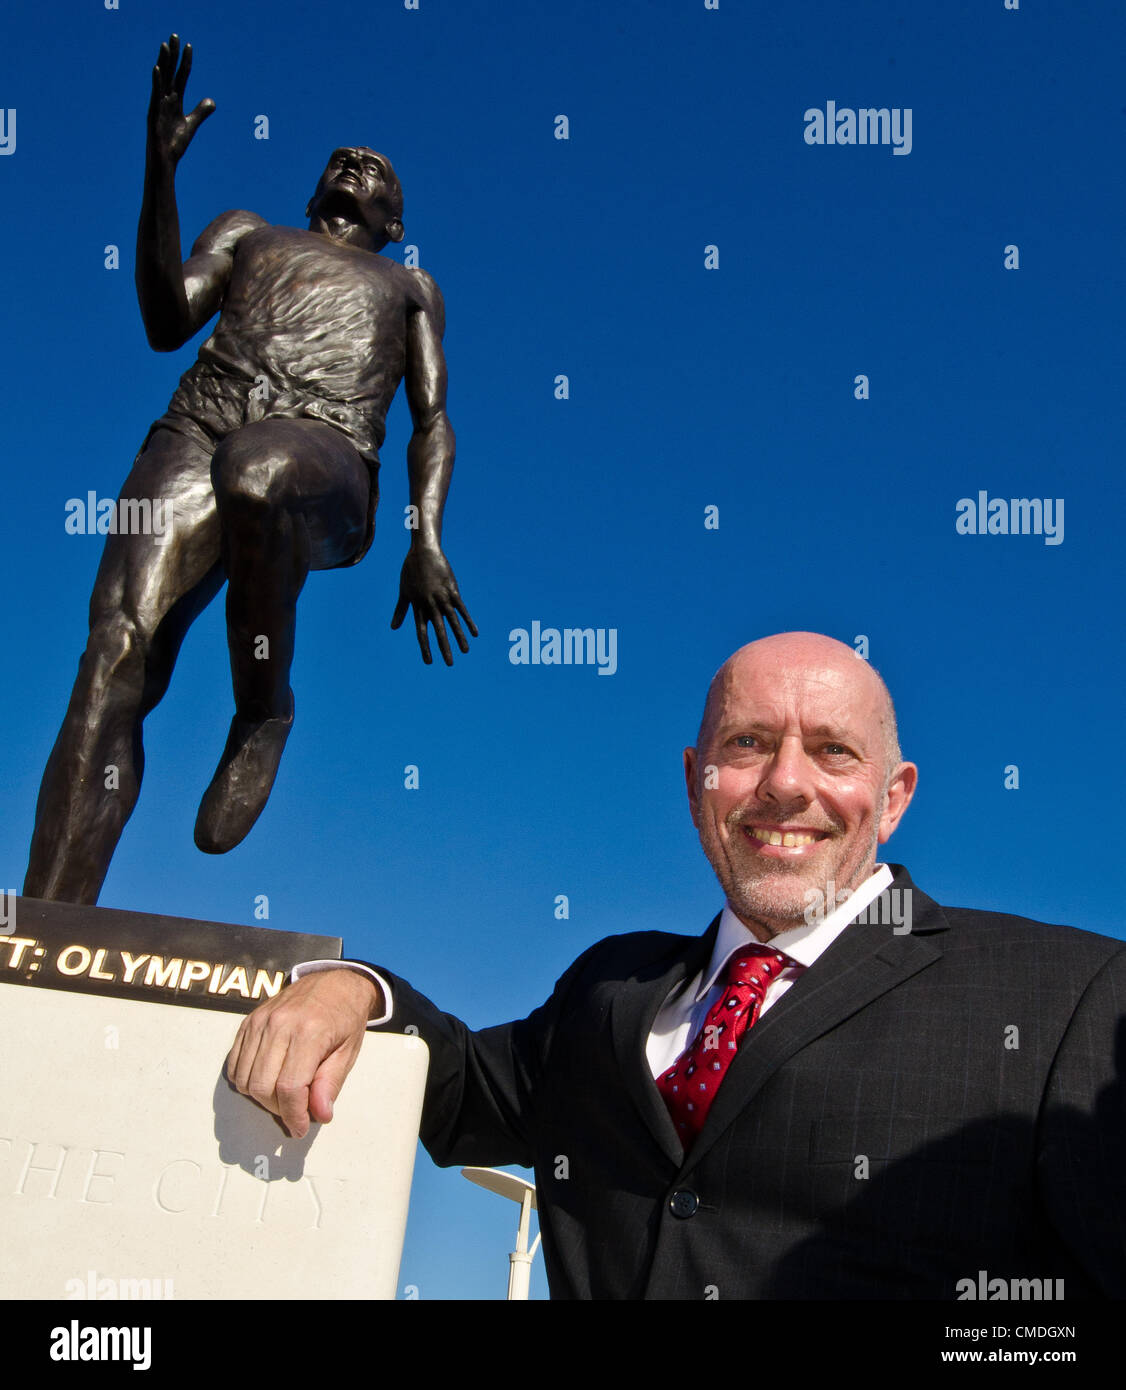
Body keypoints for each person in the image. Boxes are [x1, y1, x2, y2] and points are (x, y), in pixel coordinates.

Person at [227, 631, 1126, 1299]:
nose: (785, 782)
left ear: (892, 800)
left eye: (833, 750)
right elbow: (456, 1089)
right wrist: (350, 987)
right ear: (696, 779)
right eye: (747, 744)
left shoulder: (1068, 997)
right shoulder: (606, 991)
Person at [25, 35, 475, 905]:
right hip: (197, 426)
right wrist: (160, 175)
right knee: (115, 655)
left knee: (257, 469)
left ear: (396, 223)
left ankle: (262, 704)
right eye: (346, 159)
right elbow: (164, 319)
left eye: (379, 171)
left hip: (328, 454)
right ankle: (46, 931)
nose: (359, 162)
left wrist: (427, 539)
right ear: (314, 190)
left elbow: (433, 421)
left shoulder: (411, 287)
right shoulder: (245, 232)